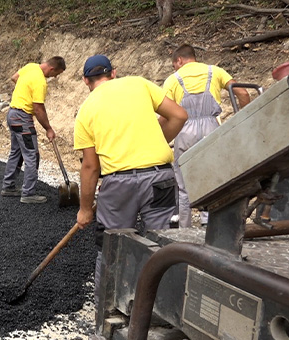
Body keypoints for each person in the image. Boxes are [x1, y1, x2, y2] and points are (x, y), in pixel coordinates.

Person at [73, 55, 187, 309]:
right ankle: (162, 310)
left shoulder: (86, 111)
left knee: (111, 247)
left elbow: (90, 167)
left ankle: (108, 310)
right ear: (113, 73)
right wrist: (154, 140)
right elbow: (179, 115)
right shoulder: (139, 84)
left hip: (118, 184)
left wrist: (84, 208)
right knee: (162, 244)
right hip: (160, 179)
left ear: (85, 81)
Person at [163, 44, 251, 228]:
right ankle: (209, 225)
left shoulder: (173, 79)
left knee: (183, 184)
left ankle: (184, 230)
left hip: (184, 130)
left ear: (179, 60)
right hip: (211, 130)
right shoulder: (215, 71)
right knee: (212, 179)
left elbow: (165, 115)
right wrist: (245, 119)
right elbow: (242, 92)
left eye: (174, 64)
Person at [1, 56, 66, 204]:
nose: (55, 77)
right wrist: (48, 128)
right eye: (57, 74)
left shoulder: (31, 67)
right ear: (52, 69)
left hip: (12, 114)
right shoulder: (40, 82)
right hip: (22, 119)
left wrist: (24, 92)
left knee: (16, 152)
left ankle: (8, 186)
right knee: (32, 155)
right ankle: (28, 193)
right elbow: (38, 108)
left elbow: (14, 77)